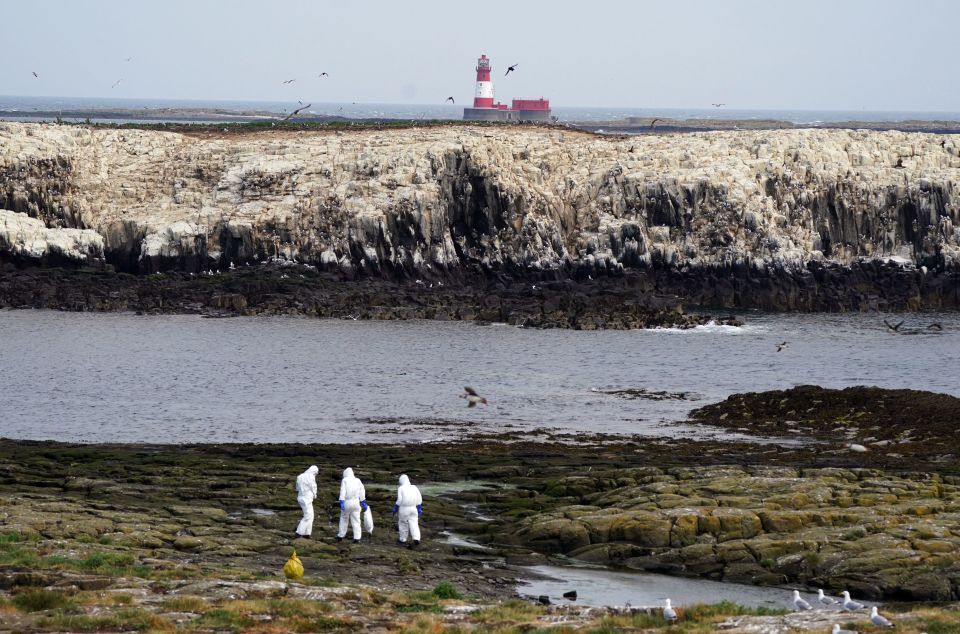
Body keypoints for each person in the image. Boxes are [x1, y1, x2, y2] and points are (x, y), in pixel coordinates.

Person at [337, 467, 367, 543]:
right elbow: (362, 491)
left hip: (347, 502)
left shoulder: (345, 480)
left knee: (344, 519)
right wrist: (363, 501)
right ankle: (357, 538)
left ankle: (341, 535)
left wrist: (341, 501)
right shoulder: (358, 480)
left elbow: (343, 491)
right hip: (356, 503)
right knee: (356, 520)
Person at [393, 473, 423, 548]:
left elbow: (399, 500)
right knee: (414, 523)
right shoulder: (414, 487)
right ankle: (416, 538)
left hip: (404, 508)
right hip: (414, 508)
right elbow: (419, 498)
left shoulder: (401, 488)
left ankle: (403, 539)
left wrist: (395, 508)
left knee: (403, 524)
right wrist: (419, 508)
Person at [294, 465, 319, 539]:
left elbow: (297, 488)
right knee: (308, 516)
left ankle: (307, 533)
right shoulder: (310, 477)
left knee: (311, 515)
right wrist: (315, 494)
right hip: (307, 499)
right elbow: (313, 486)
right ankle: (298, 532)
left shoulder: (300, 476)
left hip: (300, 497)